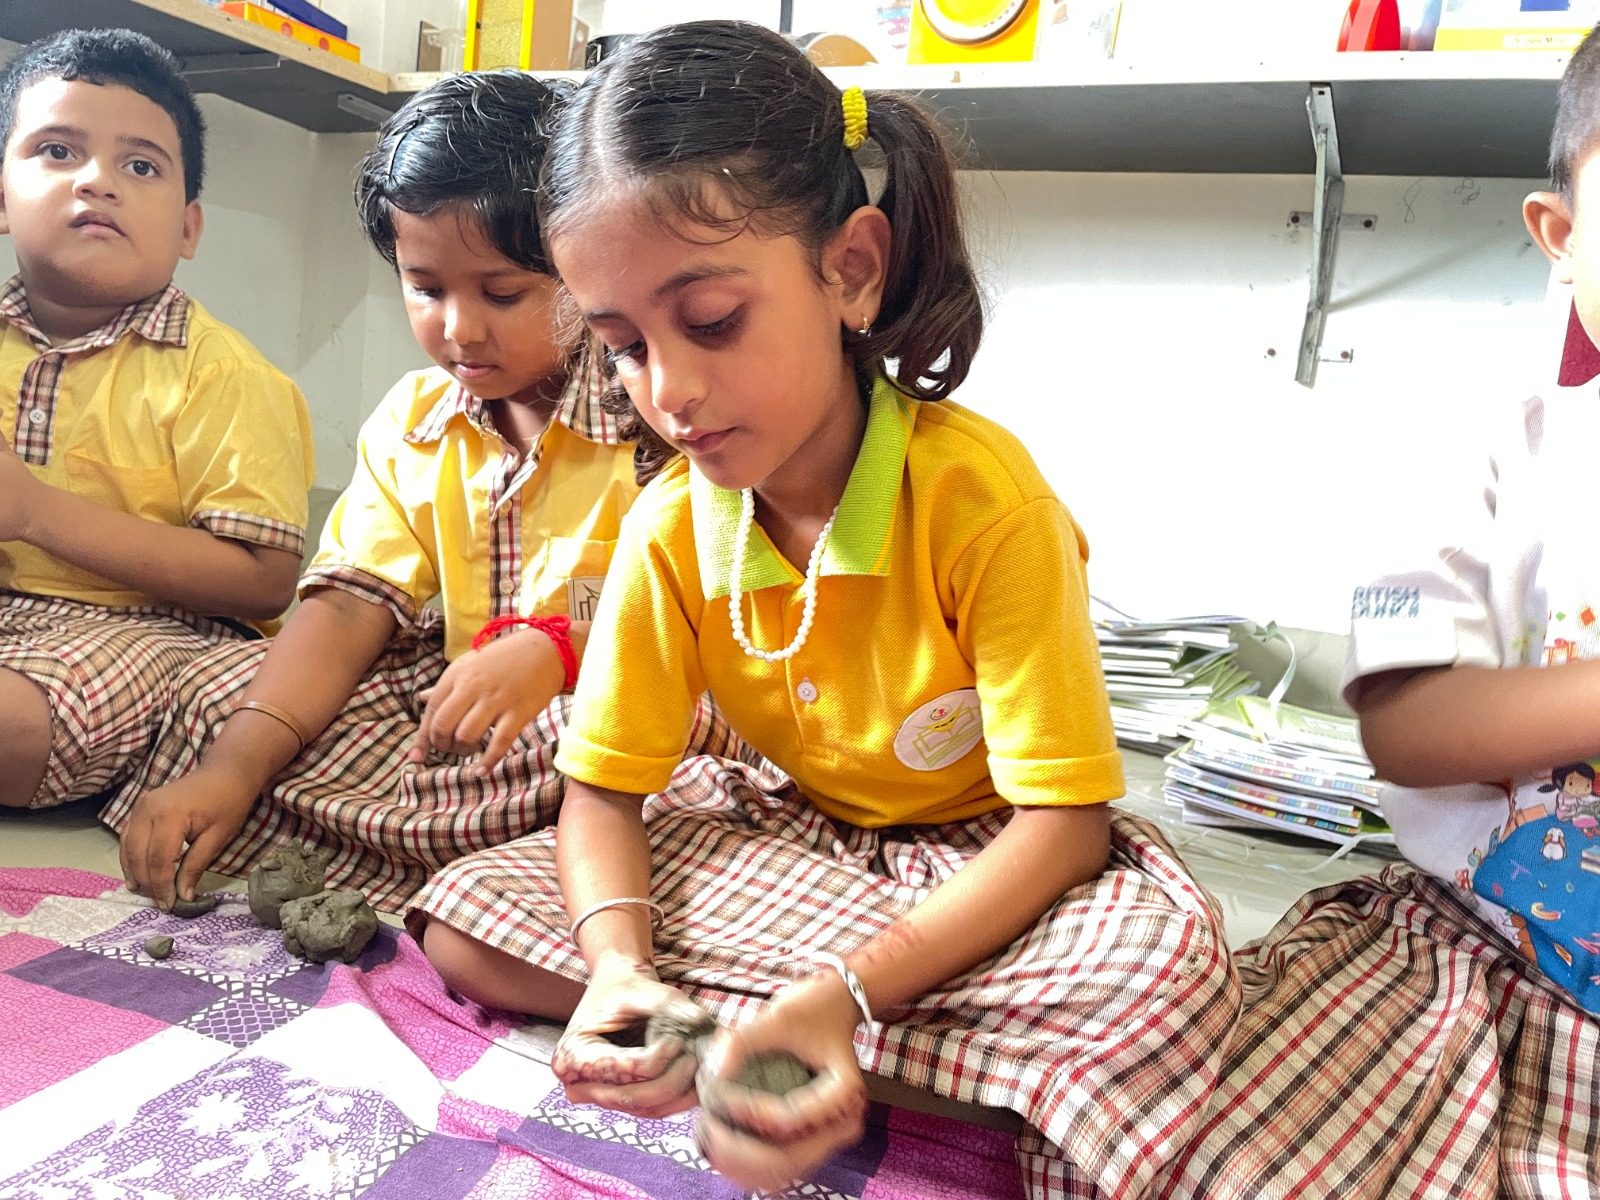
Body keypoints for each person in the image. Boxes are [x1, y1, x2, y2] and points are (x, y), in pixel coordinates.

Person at [410, 22, 1240, 1198]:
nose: (669, 392)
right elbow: (602, 792)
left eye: (711, 320)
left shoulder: (982, 502)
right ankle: (856, 1055)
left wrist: (842, 990)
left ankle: (800, 1033)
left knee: (1154, 975)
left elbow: (1063, 831)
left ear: (849, 270)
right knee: (464, 918)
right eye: (624, 347)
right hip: (789, 837)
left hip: (986, 860)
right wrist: (620, 970)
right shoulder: (670, 526)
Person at [110, 71, 747, 913]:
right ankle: (473, 861)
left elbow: (713, 620)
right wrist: (232, 768)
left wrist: (558, 650)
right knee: (216, 696)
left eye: (503, 293)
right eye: (426, 288)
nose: (459, 329)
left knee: (614, 754)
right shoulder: (415, 421)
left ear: (585, 268)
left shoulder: (662, 418)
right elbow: (347, 610)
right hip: (467, 706)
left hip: (620, 699)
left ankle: (508, 863)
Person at [1145, 29, 1600, 1200]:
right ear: (1559, 236)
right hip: (1484, 949)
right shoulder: (1480, 442)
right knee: (1216, 1142)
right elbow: (1402, 725)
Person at [0, 28, 315, 812]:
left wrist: (35, 513)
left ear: (188, 229)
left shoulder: (221, 373)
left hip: (145, 631)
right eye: (58, 151)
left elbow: (264, 580)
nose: (97, 182)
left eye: (140, 166)